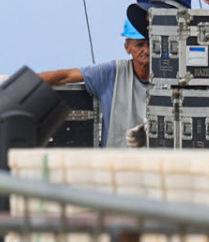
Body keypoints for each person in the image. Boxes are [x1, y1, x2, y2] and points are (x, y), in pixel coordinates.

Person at [39, 15, 152, 150]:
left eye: (150, 44)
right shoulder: (112, 72)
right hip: (114, 161)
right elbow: (65, 76)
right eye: (140, 45)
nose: (146, 50)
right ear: (127, 48)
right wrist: (23, 84)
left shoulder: (169, 80)